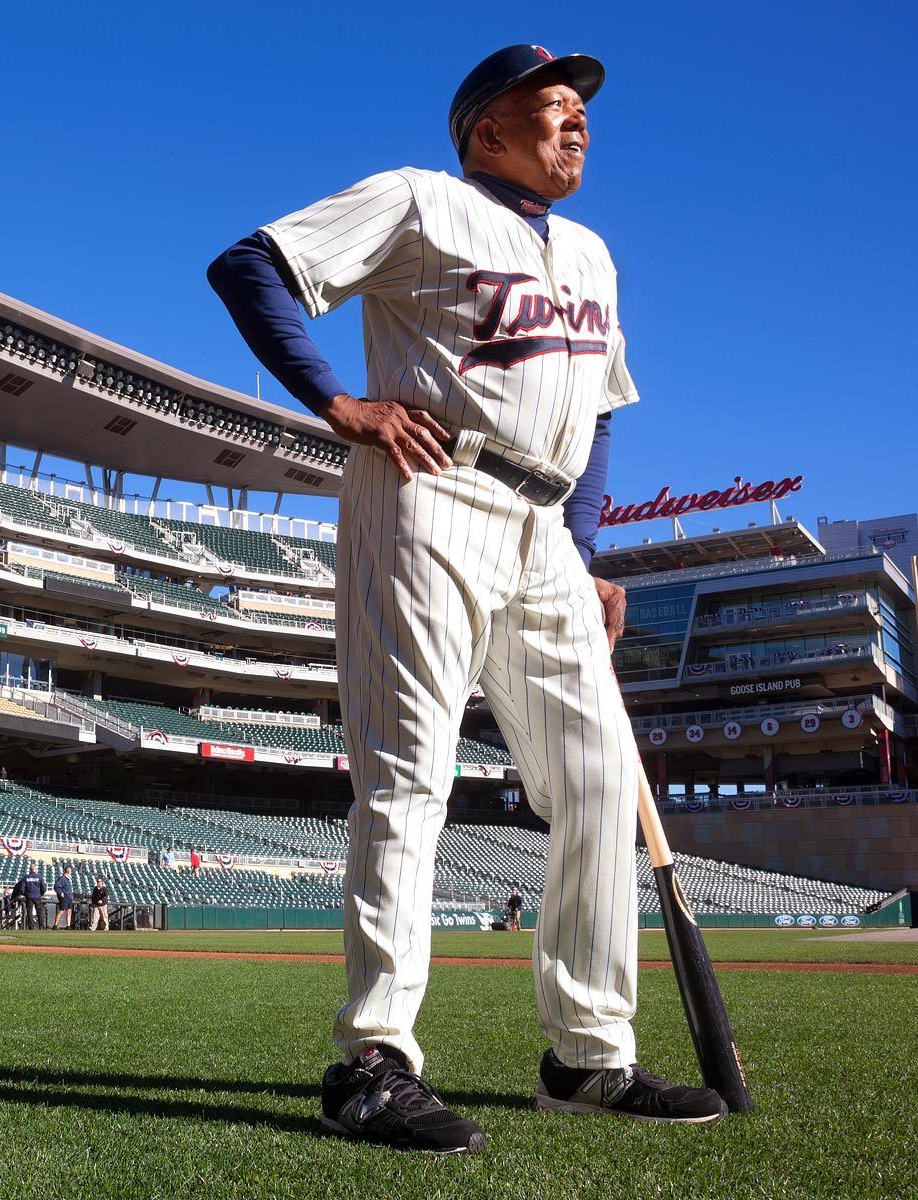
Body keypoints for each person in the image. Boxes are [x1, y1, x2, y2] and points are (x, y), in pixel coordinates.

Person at [208, 44, 725, 1152]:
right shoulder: (420, 197)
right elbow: (252, 265)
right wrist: (339, 401)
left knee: (595, 783)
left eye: (583, 110)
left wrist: (585, 553)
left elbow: (598, 417)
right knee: (410, 770)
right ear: (487, 128)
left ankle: (587, 1058)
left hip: (545, 530)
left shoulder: (591, 251)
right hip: (429, 489)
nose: (578, 123)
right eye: (553, 107)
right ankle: (374, 1061)